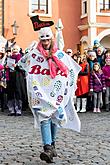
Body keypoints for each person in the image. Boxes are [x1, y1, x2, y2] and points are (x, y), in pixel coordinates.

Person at [18, 15, 81, 163]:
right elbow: (21, 63)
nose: (45, 42)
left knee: (54, 119)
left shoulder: (60, 54)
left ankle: (52, 145)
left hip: (56, 93)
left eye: (47, 39)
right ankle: (47, 147)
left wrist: (69, 90)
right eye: (43, 40)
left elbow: (71, 69)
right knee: (44, 118)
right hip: (41, 94)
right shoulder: (34, 54)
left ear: (51, 39)